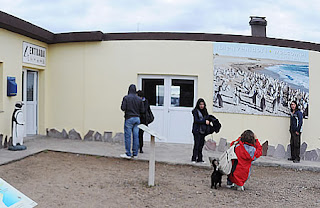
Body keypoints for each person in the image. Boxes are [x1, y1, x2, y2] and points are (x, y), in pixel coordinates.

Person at [120, 84, 144, 159]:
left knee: (128, 136)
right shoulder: (139, 99)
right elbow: (142, 110)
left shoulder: (126, 98)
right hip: (137, 119)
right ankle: (135, 153)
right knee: (136, 136)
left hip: (129, 118)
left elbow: (123, 108)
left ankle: (128, 153)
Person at [191, 98, 210, 163]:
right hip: (197, 130)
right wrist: (205, 121)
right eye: (200, 104)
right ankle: (194, 158)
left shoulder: (205, 111)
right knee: (197, 144)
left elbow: (208, 118)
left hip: (203, 131)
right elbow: (196, 120)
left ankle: (200, 159)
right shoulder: (195, 111)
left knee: (201, 145)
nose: (202, 106)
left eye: (203, 104)